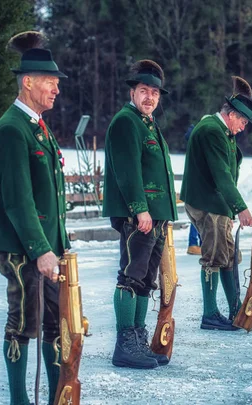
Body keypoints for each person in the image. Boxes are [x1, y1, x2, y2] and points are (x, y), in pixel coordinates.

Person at [0, 31, 69, 405]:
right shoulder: (10, 129)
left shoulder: (35, 125)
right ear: (28, 82)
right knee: (21, 324)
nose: (56, 90)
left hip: (43, 248)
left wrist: (56, 246)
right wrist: (40, 249)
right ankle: (20, 400)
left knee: (54, 323)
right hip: (21, 248)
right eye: (50, 82)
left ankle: (55, 398)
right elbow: (18, 200)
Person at [103, 59, 177, 369]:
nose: (150, 98)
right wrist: (140, 209)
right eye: (144, 91)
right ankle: (125, 343)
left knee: (147, 279)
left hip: (155, 215)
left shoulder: (147, 122)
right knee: (131, 276)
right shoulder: (126, 121)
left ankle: (138, 338)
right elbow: (128, 171)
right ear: (133, 92)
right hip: (139, 216)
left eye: (155, 93)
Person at [181, 76, 252, 330]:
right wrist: (240, 207)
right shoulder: (211, 130)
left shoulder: (222, 130)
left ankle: (236, 311)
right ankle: (210, 314)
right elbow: (221, 175)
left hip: (217, 203)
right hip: (207, 203)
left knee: (229, 256)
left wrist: (231, 207)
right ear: (230, 114)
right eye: (242, 121)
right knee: (215, 257)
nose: (243, 127)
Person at [183, 123, 202, 255]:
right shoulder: (198, 146)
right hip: (197, 187)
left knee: (199, 217)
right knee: (199, 217)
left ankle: (197, 243)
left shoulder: (194, 145)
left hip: (194, 186)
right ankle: (194, 243)